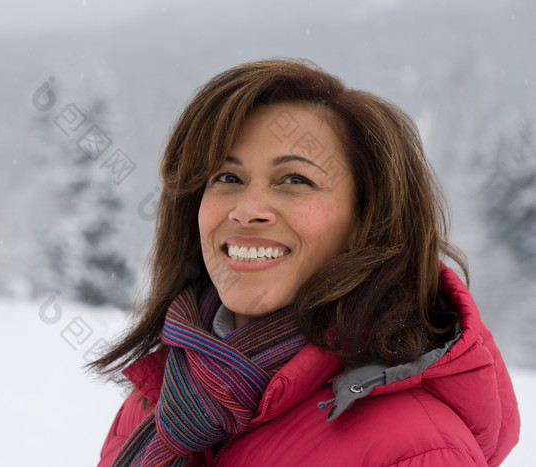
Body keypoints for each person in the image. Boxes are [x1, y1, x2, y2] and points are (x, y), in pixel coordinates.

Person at [90, 59, 520, 466]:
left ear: (367, 222)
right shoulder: (161, 402)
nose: (247, 209)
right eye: (227, 177)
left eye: (295, 180)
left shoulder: (418, 450)